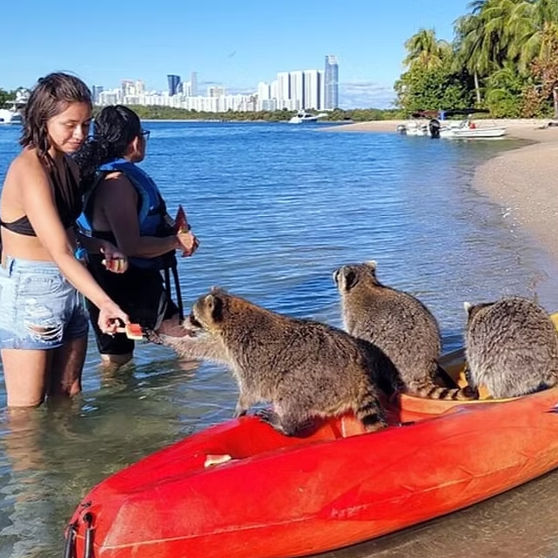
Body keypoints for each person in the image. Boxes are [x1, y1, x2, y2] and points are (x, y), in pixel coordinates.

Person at [0, 73, 130, 408]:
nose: (80, 135)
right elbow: (58, 249)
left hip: (69, 284)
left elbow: (67, 233)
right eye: (69, 124)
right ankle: (28, 463)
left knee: (69, 393)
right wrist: (105, 303)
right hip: (31, 288)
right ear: (42, 120)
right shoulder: (29, 168)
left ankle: (65, 461)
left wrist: (99, 245)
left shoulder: (66, 165)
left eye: (86, 124)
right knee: (27, 407)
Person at [74, 105, 198, 368]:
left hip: (101, 279)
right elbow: (130, 245)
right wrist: (176, 242)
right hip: (130, 281)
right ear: (135, 140)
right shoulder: (117, 182)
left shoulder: (98, 175)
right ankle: (189, 406)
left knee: (116, 361)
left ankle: (118, 408)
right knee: (192, 346)